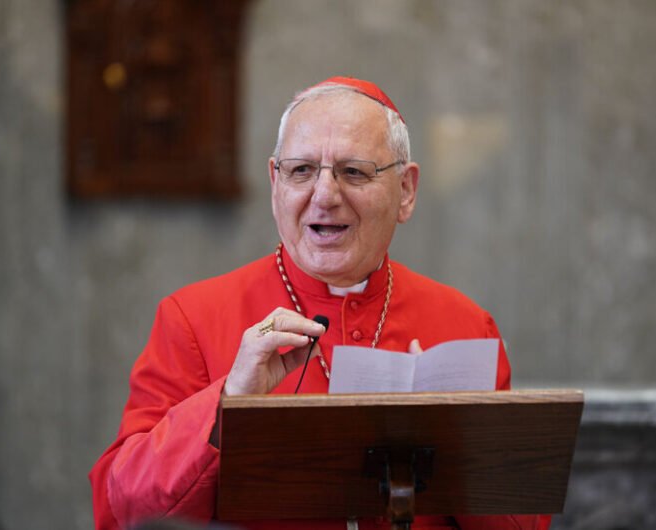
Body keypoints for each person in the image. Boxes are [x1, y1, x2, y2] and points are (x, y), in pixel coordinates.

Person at [90, 77, 551, 530]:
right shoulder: (192, 319)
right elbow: (123, 512)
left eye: (354, 172)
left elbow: (525, 523)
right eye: (301, 171)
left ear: (406, 191)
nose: (325, 196)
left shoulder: (465, 324)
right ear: (275, 183)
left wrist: (459, 435)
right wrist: (228, 403)